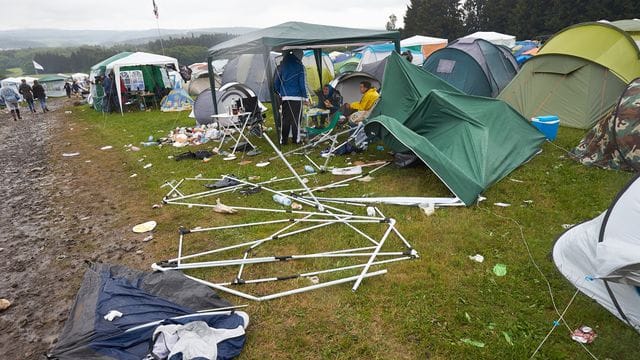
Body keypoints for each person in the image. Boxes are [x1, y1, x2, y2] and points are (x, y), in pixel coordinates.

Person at [274, 50, 307, 145]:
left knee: (285, 119)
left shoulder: (282, 66)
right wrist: (305, 97)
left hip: (285, 96)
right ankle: (296, 140)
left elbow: (276, 82)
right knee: (296, 119)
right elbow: (302, 84)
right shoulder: (300, 67)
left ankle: (283, 140)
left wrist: (280, 92)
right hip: (297, 97)